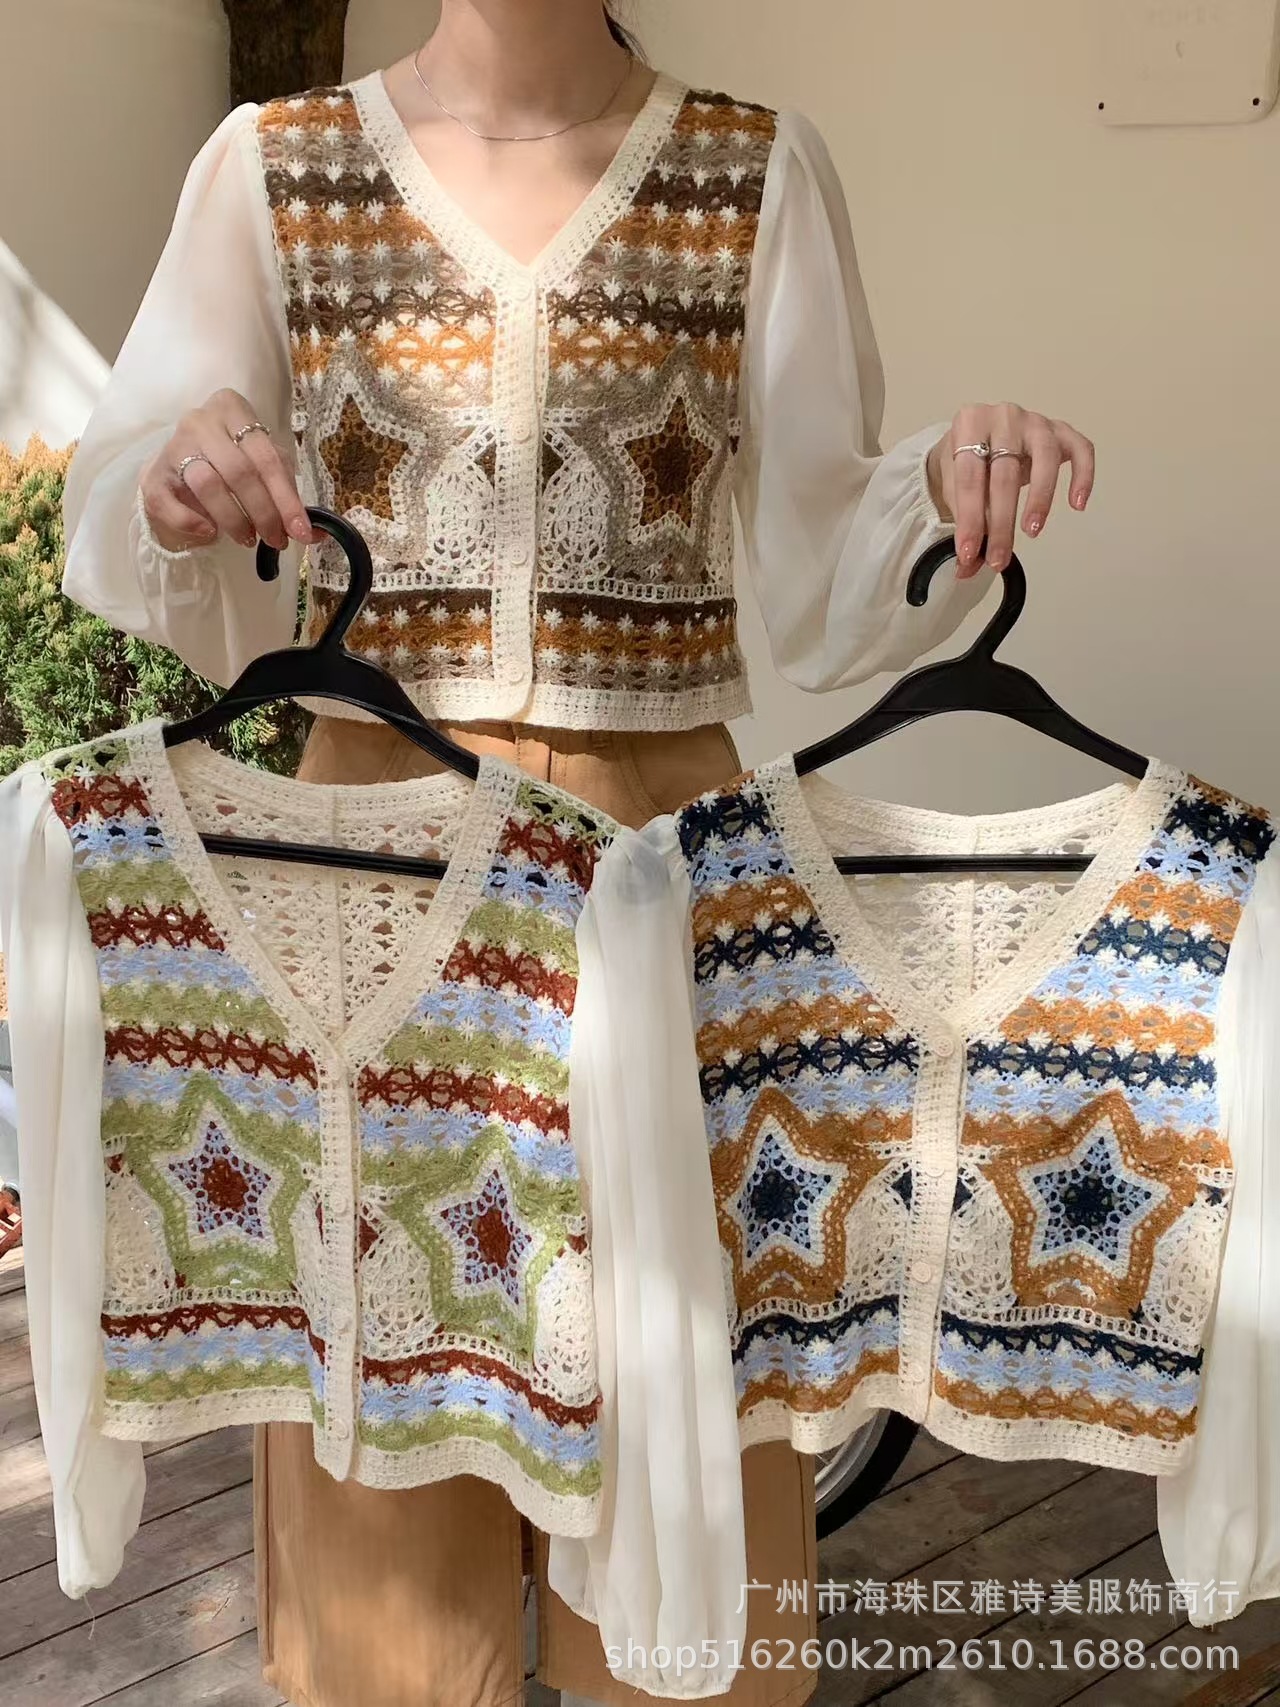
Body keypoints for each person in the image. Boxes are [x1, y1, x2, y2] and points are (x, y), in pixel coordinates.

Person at [60, 3, 1096, 1704]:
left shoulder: (755, 169)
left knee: (683, 1391)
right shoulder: (272, 170)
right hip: (377, 874)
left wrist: (948, 487)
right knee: (382, 1412)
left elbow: (823, 555)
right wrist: (171, 483)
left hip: (657, 878)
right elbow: (125, 489)